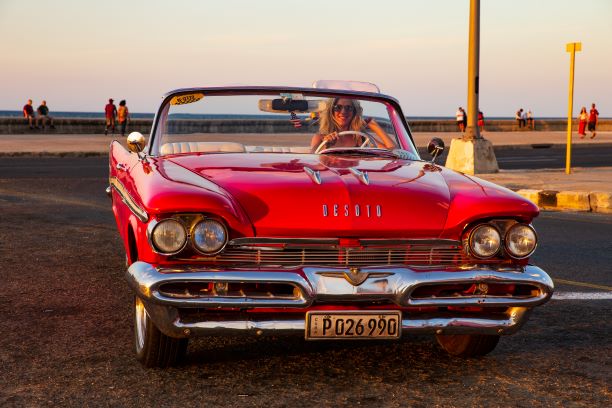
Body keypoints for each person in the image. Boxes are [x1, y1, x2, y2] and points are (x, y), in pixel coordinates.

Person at [310, 98, 395, 153]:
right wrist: (326, 145)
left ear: (354, 112)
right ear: (331, 112)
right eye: (338, 107)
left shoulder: (362, 138)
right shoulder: (320, 138)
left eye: (348, 108)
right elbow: (312, 160)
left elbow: (393, 152)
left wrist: (375, 126)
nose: (343, 112)